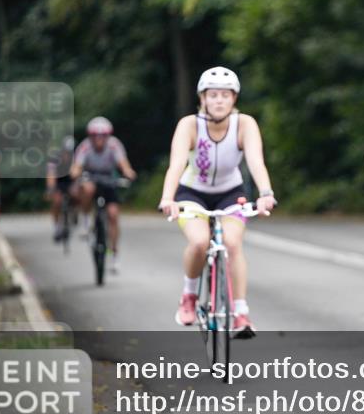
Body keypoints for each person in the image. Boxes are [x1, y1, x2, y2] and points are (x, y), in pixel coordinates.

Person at [158, 66, 277, 338]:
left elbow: (256, 161)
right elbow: (176, 164)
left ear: (234, 98)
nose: (219, 101)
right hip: (192, 193)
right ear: (202, 98)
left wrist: (266, 193)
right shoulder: (189, 125)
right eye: (213, 95)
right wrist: (167, 198)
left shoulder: (244, 124)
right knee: (199, 242)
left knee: (232, 243)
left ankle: (241, 313)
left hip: (230, 192)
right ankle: (189, 296)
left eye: (225, 95)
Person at [69, 117, 137, 271]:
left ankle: (114, 254)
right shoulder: (85, 147)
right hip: (91, 178)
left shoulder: (114, 145)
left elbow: (123, 163)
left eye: (103, 136)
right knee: (87, 188)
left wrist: (128, 172)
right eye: (95, 136)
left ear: (108, 136)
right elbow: (77, 166)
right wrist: (75, 173)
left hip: (108, 180)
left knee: (113, 215)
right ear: (90, 136)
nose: (99, 139)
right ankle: (86, 220)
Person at [46, 135, 76, 242]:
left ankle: (75, 212)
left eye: (70, 152)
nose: (68, 154)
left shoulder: (76, 157)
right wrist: (51, 188)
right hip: (58, 180)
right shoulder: (55, 158)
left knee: (77, 194)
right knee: (57, 201)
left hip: (71, 180)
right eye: (66, 152)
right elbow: (50, 174)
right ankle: (57, 227)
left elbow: (77, 174)